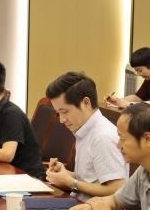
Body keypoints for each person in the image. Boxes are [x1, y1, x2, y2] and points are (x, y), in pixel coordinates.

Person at [44, 72, 126, 202]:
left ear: (86, 103)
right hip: (82, 205)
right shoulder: (85, 130)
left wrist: (71, 182)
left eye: (64, 111)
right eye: (58, 113)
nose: (62, 120)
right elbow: (93, 179)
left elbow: (117, 189)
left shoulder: (103, 137)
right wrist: (65, 176)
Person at [71, 102, 150, 210]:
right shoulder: (143, 170)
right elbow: (116, 200)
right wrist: (94, 205)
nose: (118, 145)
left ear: (147, 139)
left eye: (122, 138)